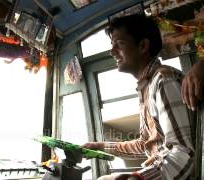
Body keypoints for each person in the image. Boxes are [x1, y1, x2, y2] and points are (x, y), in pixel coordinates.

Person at [82, 14, 195, 180]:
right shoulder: (147, 85)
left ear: (142, 46)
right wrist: (100, 146)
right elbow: (145, 144)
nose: (112, 51)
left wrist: (137, 178)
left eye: (119, 44)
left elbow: (185, 153)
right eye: (112, 45)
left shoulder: (164, 80)